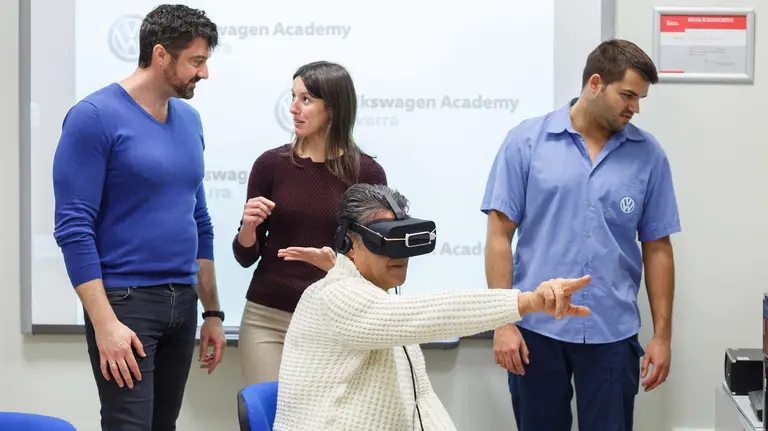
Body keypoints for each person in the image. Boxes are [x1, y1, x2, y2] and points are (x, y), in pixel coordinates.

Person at [272, 183, 593, 431]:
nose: (400, 255)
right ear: (350, 244)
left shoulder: (380, 305)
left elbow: (421, 400)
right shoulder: (335, 297)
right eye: (386, 240)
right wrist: (527, 301)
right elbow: (434, 313)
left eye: (405, 239)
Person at [481, 39, 681, 431]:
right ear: (595, 83)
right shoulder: (526, 142)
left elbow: (658, 247)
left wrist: (662, 337)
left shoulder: (649, 155)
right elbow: (499, 235)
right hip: (536, 330)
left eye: (640, 98)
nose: (635, 108)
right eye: (627, 95)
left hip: (612, 333)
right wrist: (502, 322)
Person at [52, 5, 226, 430]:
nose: (204, 73)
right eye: (196, 61)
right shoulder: (93, 117)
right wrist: (105, 323)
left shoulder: (190, 120)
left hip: (182, 303)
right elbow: (74, 228)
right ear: (161, 54)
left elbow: (199, 219)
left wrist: (213, 313)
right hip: (126, 304)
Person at [232, 61, 388, 385]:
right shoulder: (270, 165)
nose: (293, 108)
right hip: (268, 318)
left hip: (335, 320)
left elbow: (376, 265)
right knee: (267, 410)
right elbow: (246, 256)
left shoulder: (367, 174)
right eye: (293, 97)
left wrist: (335, 265)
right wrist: (248, 228)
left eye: (305, 99)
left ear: (332, 107)